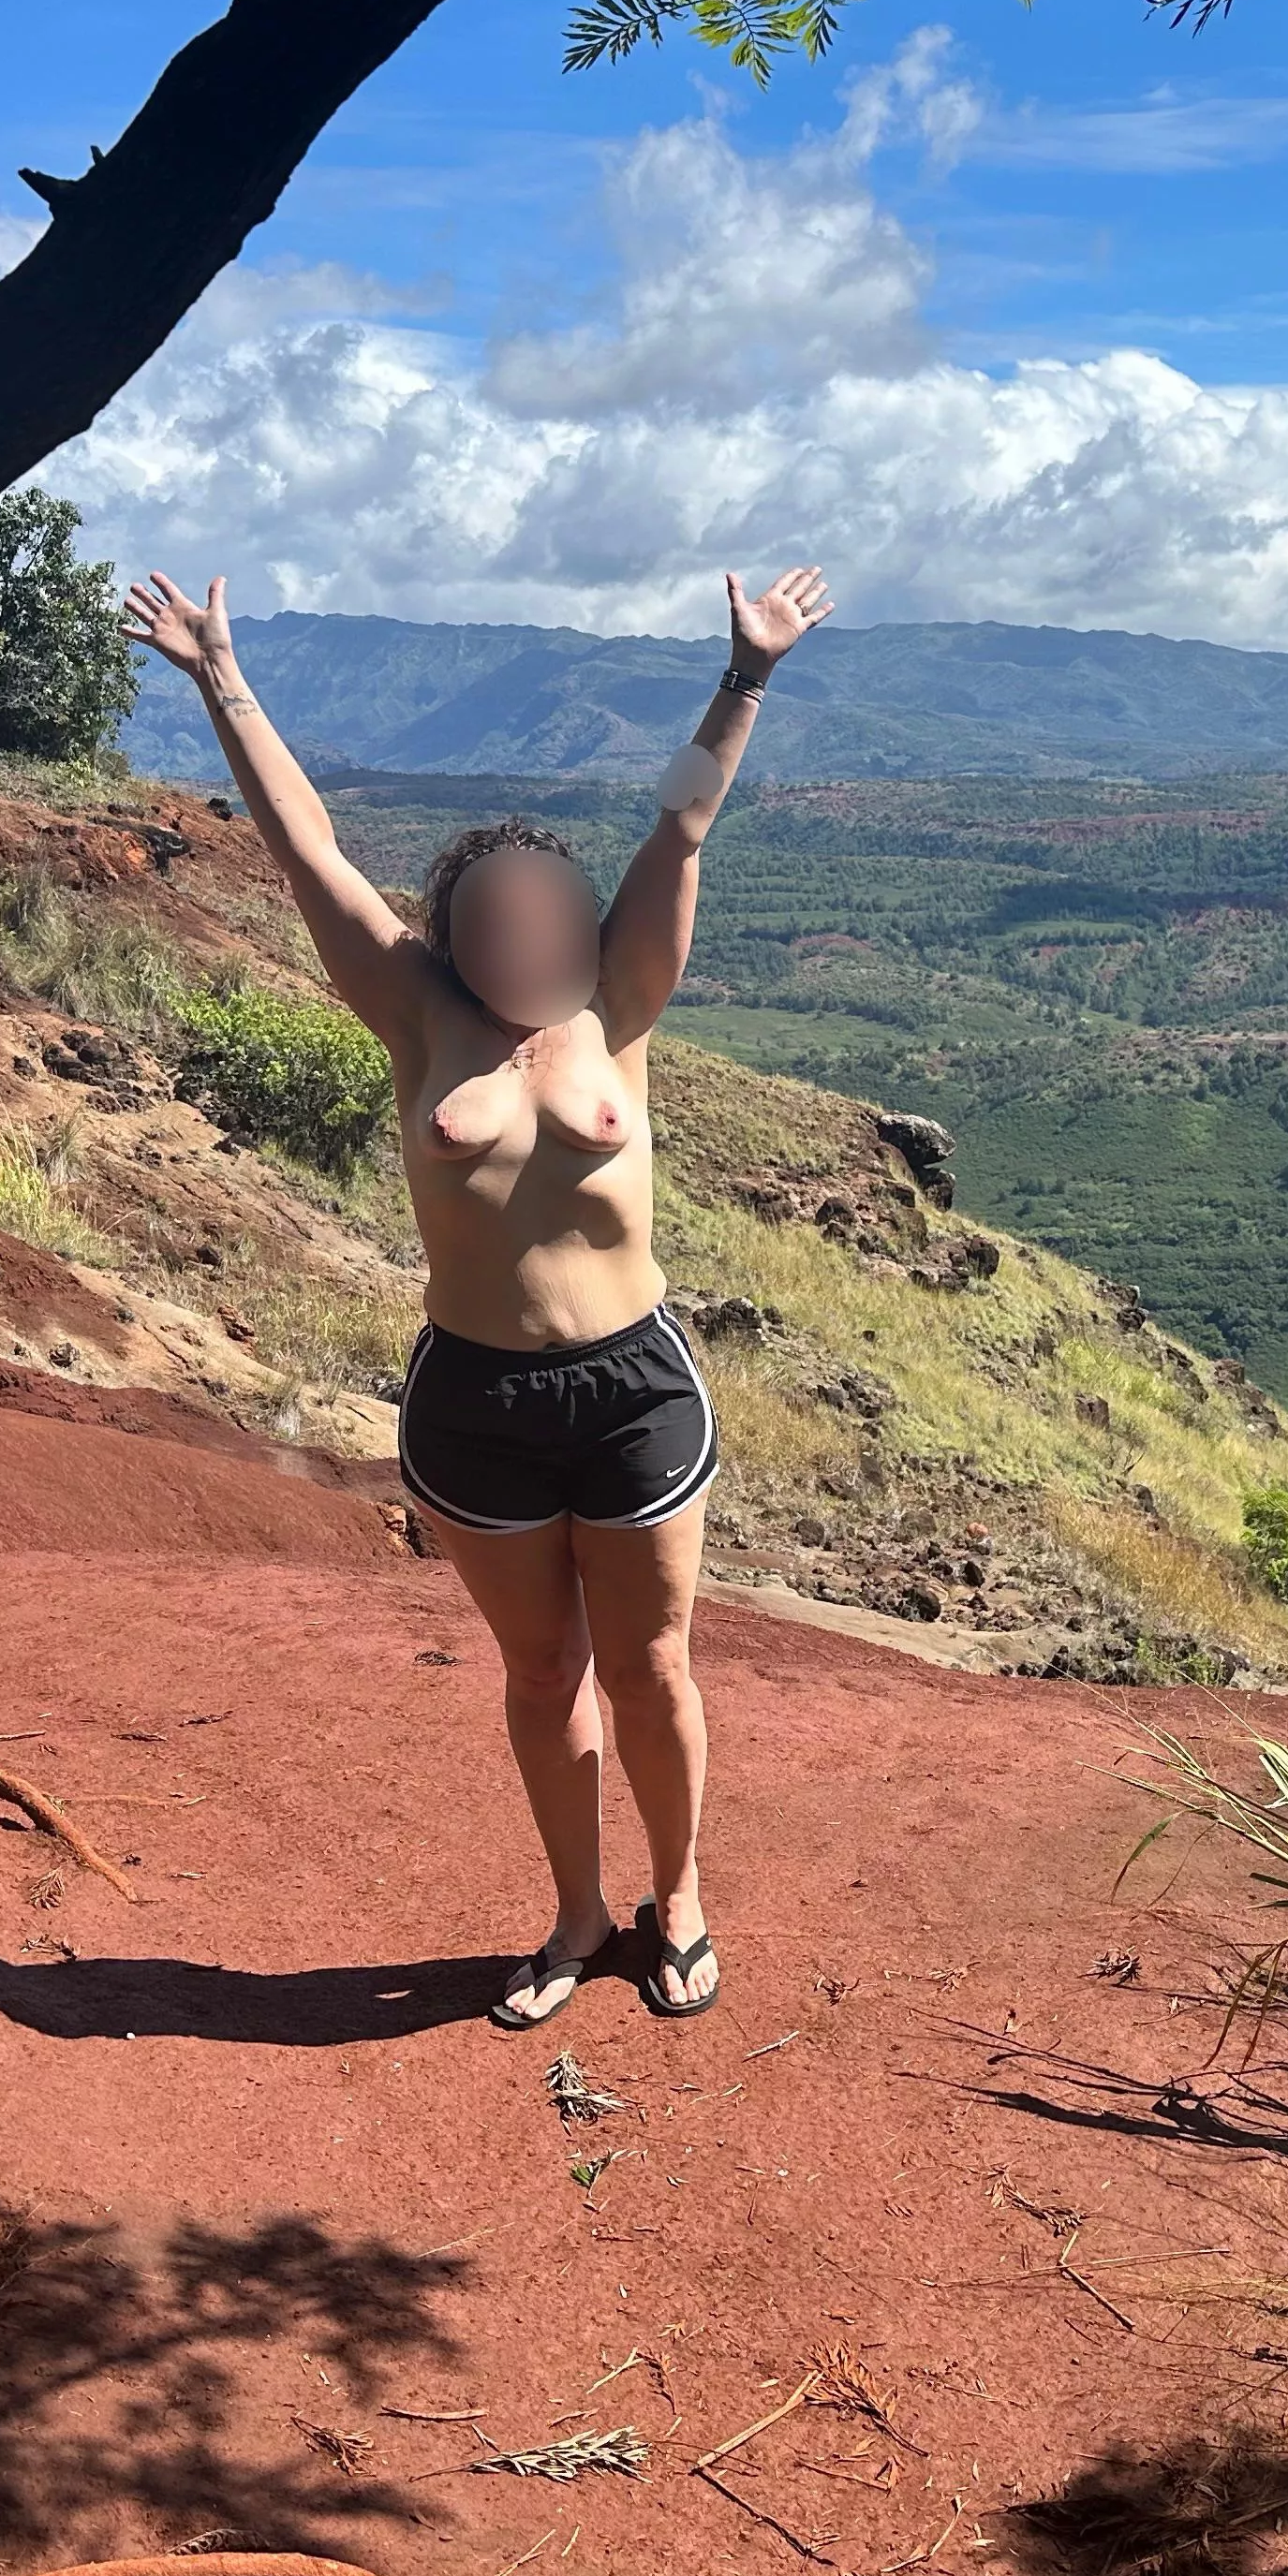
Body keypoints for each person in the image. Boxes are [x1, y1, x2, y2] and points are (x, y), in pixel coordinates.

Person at [122, 561, 836, 2027]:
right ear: (456, 933)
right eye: (496, 923)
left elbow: (683, 817)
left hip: (632, 1388)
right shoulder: (417, 1010)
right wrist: (220, 681)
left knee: (651, 1666)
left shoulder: (618, 1008)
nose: (529, 944)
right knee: (540, 1677)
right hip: (478, 1396)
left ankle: (679, 1896)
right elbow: (305, 845)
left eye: (549, 920)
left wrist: (747, 672)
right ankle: (575, 1916)